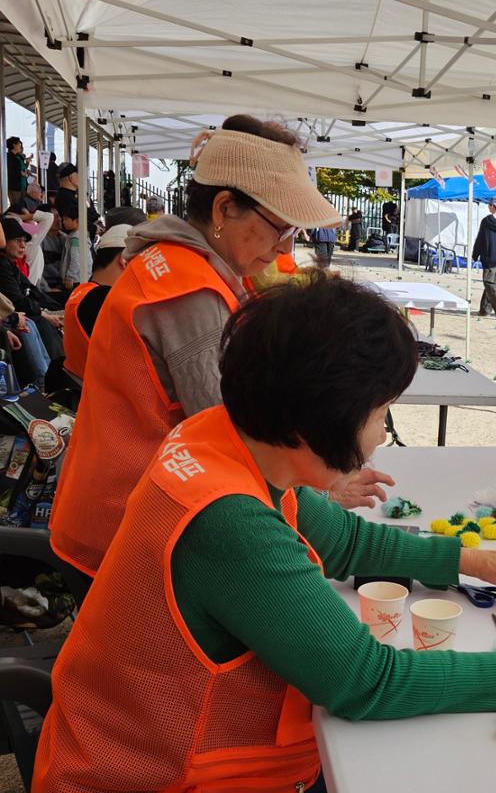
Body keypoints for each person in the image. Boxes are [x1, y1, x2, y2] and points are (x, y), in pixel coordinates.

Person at [25, 274, 496, 793]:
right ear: (320, 420)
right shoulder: (230, 522)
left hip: (164, 782)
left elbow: (338, 537)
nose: (384, 432)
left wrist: (473, 560)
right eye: (379, 413)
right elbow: (365, 681)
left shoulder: (224, 439)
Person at [48, 114, 391, 584]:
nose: (282, 247)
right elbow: (237, 432)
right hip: (131, 518)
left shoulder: (177, 263)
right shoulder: (189, 291)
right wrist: (325, 484)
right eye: (279, 228)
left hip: (126, 501)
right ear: (225, 208)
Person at [61, 223, 131, 380]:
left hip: (81, 385)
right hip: (104, 393)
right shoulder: (104, 299)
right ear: (124, 261)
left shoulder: (81, 292)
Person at [0, 218, 64, 360]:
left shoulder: (11, 264)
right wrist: (44, 314)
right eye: (17, 240)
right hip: (15, 316)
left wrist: (56, 308)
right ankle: (47, 375)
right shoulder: (3, 264)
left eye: (24, 241)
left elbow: (32, 290)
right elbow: (18, 300)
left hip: (23, 310)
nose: (23, 245)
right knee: (35, 323)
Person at [5, 137, 30, 211]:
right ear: (14, 145)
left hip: (23, 186)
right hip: (14, 187)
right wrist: (21, 173)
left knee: (23, 207)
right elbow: (9, 171)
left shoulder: (19, 156)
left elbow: (21, 168)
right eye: (19, 143)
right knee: (16, 208)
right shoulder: (8, 157)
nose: (20, 145)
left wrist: (26, 168)